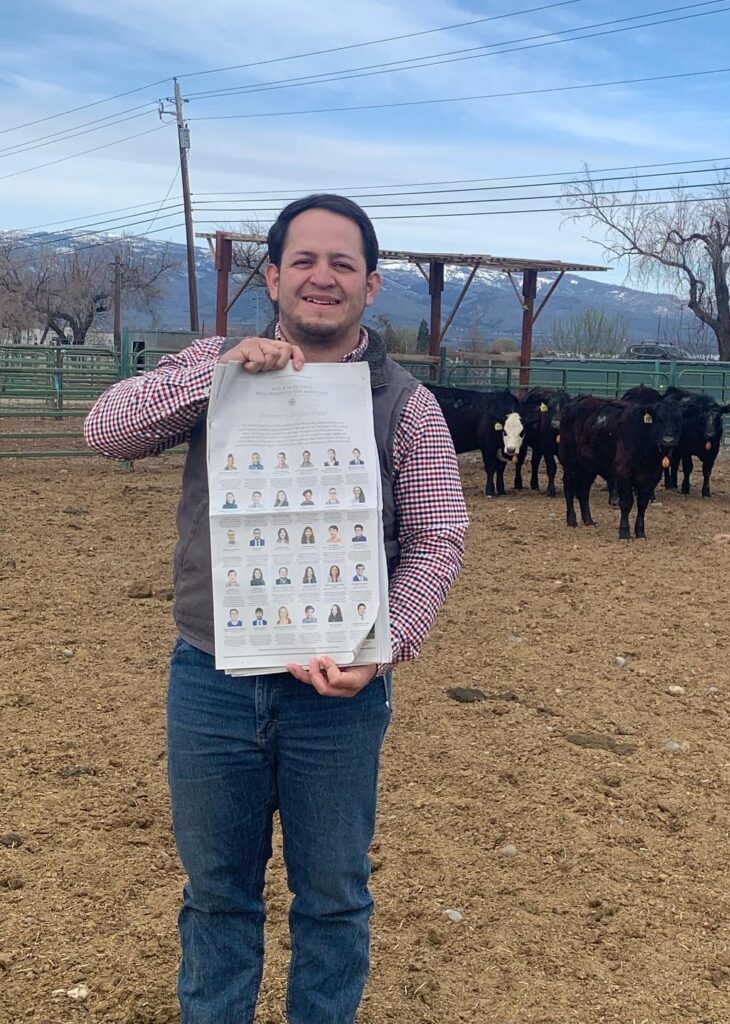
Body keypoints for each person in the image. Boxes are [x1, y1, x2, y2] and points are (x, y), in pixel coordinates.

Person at [84, 192, 467, 1024]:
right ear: (272, 276)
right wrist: (212, 380)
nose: (321, 278)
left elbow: (440, 536)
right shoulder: (214, 364)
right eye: (304, 260)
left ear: (370, 286)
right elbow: (106, 430)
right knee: (217, 892)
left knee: (332, 894)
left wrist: (388, 644)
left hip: (337, 691)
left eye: (343, 264)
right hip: (212, 676)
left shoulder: (408, 404)